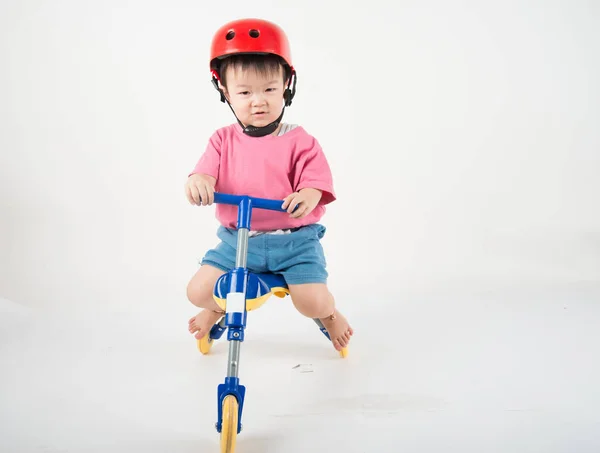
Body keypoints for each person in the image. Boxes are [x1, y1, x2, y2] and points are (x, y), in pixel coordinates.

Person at [185, 18, 353, 352]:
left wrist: (308, 194)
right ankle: (216, 307)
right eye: (245, 92)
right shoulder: (222, 141)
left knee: (311, 302)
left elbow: (315, 182)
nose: (258, 102)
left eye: (269, 90)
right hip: (238, 241)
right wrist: (199, 181)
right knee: (198, 291)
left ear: (287, 85)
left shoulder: (300, 141)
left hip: (294, 242)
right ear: (225, 92)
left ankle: (331, 316)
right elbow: (202, 174)